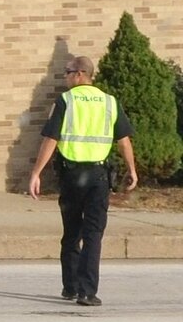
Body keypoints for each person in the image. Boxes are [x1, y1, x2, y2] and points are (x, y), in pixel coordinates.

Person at [28, 55, 137, 307]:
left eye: (67, 72)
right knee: (93, 234)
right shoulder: (109, 102)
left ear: (79, 74)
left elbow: (51, 140)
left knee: (72, 232)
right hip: (99, 177)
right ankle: (87, 292)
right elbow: (123, 141)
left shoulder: (66, 101)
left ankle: (71, 286)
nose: (65, 77)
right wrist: (132, 169)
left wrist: (36, 173)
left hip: (72, 175)